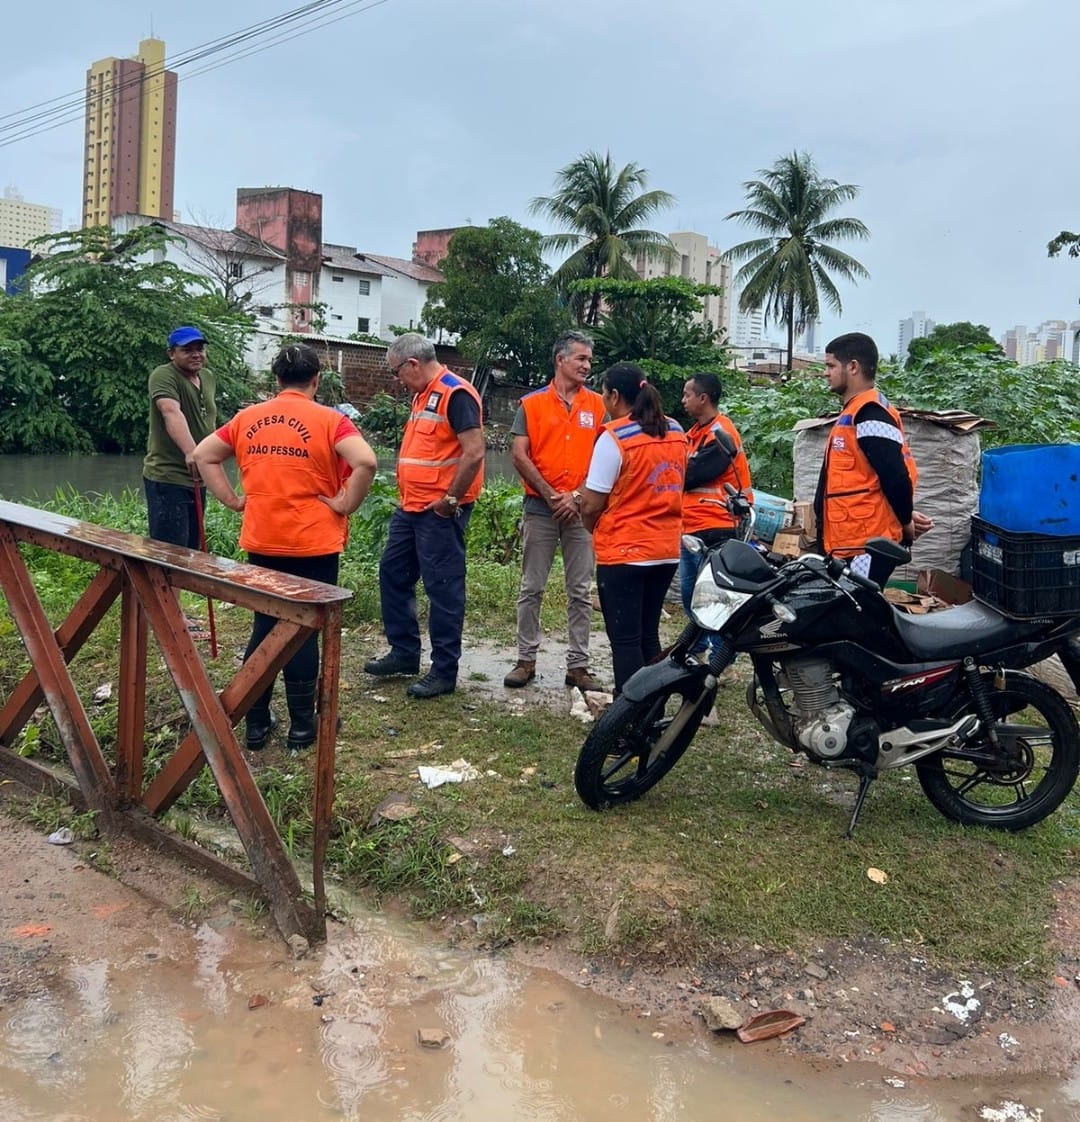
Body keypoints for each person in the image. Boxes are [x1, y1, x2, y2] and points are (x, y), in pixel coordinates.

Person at [192, 343, 377, 750]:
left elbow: (203, 455)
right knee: (304, 632)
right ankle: (301, 727)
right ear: (316, 380)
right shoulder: (331, 421)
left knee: (265, 624)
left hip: (264, 538)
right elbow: (366, 462)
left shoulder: (247, 418)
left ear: (275, 380)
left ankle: (256, 723)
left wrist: (232, 499)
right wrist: (346, 503)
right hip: (314, 542)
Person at [365, 334, 485, 699]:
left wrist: (451, 499)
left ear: (413, 364)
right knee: (393, 573)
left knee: (443, 589)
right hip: (411, 507)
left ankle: (444, 671)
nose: (397, 380)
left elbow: (475, 452)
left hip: (439, 511)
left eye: (397, 372)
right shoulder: (422, 394)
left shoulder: (456, 393)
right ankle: (404, 653)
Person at [503, 331, 606, 691]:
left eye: (589, 360)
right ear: (560, 360)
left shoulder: (596, 406)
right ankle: (525, 660)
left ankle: (578, 666)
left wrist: (576, 497)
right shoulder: (531, 404)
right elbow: (519, 455)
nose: (587, 366)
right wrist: (550, 496)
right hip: (540, 508)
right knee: (532, 587)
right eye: (580, 359)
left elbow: (606, 457)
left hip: (581, 511)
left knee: (580, 589)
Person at [579, 364, 688, 695]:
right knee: (647, 634)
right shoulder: (676, 430)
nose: (601, 399)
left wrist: (591, 525)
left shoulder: (614, 438)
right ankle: (651, 708)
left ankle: (628, 719)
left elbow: (591, 503)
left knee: (624, 641)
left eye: (603, 392)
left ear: (614, 396)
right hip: (665, 551)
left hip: (624, 553)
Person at [815, 332, 932, 584]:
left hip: (864, 545)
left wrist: (905, 522)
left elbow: (895, 476)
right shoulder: (855, 412)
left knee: (857, 614)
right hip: (850, 541)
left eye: (831, 365)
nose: (826, 373)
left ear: (853, 366)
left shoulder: (870, 414)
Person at [680, 372, 753, 656]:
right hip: (692, 525)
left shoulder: (722, 433)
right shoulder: (695, 434)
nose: (683, 400)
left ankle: (723, 653)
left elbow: (692, 474)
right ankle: (697, 644)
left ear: (703, 398)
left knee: (714, 595)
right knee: (691, 592)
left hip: (718, 525)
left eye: (687, 394)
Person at [143, 326, 218, 549]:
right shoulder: (164, 375)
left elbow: (209, 420)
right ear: (171, 354)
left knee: (192, 550)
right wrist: (190, 452)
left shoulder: (207, 376)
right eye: (187, 350)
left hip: (198, 476)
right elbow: (170, 412)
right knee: (170, 553)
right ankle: (158, 586)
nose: (196, 354)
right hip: (168, 476)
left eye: (200, 349)